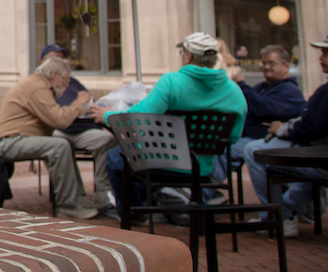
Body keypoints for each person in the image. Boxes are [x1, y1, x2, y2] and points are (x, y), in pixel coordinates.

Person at [96, 31, 246, 219]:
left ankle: (134, 215)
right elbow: (233, 137)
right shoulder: (234, 90)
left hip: (163, 162)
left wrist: (107, 115)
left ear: (188, 56)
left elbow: (139, 117)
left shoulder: (171, 82)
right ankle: (156, 205)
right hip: (202, 168)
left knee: (115, 157)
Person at [0, 55, 101, 220]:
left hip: (15, 139)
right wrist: (78, 104)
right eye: (66, 79)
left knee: (64, 144)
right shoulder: (37, 87)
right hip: (11, 141)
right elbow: (60, 119)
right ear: (55, 75)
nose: (67, 84)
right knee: (60, 145)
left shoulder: (38, 85)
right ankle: (67, 205)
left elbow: (55, 117)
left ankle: (77, 197)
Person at [243, 36, 328, 239]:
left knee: (254, 151)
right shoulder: (265, 87)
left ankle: (282, 214)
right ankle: (284, 213)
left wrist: (282, 129)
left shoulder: (299, 90)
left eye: (325, 53)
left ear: (286, 66)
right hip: (315, 152)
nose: (321, 57)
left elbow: (311, 126)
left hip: (318, 157)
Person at [40, 45, 117, 214]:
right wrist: (77, 107)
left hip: (83, 128)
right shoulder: (41, 84)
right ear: (44, 62)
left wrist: (95, 106)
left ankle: (103, 195)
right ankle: (75, 196)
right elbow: (54, 116)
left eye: (63, 59)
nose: (62, 63)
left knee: (109, 141)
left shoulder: (72, 81)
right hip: (60, 129)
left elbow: (89, 99)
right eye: (57, 59)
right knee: (59, 144)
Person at [213, 45, 305, 184]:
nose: (267, 67)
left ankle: (206, 190)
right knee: (214, 146)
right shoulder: (263, 87)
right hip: (247, 136)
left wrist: (242, 85)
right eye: (264, 63)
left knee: (227, 152)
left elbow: (264, 107)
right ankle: (207, 189)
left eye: (272, 63)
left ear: (286, 67)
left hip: (265, 140)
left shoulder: (290, 90)